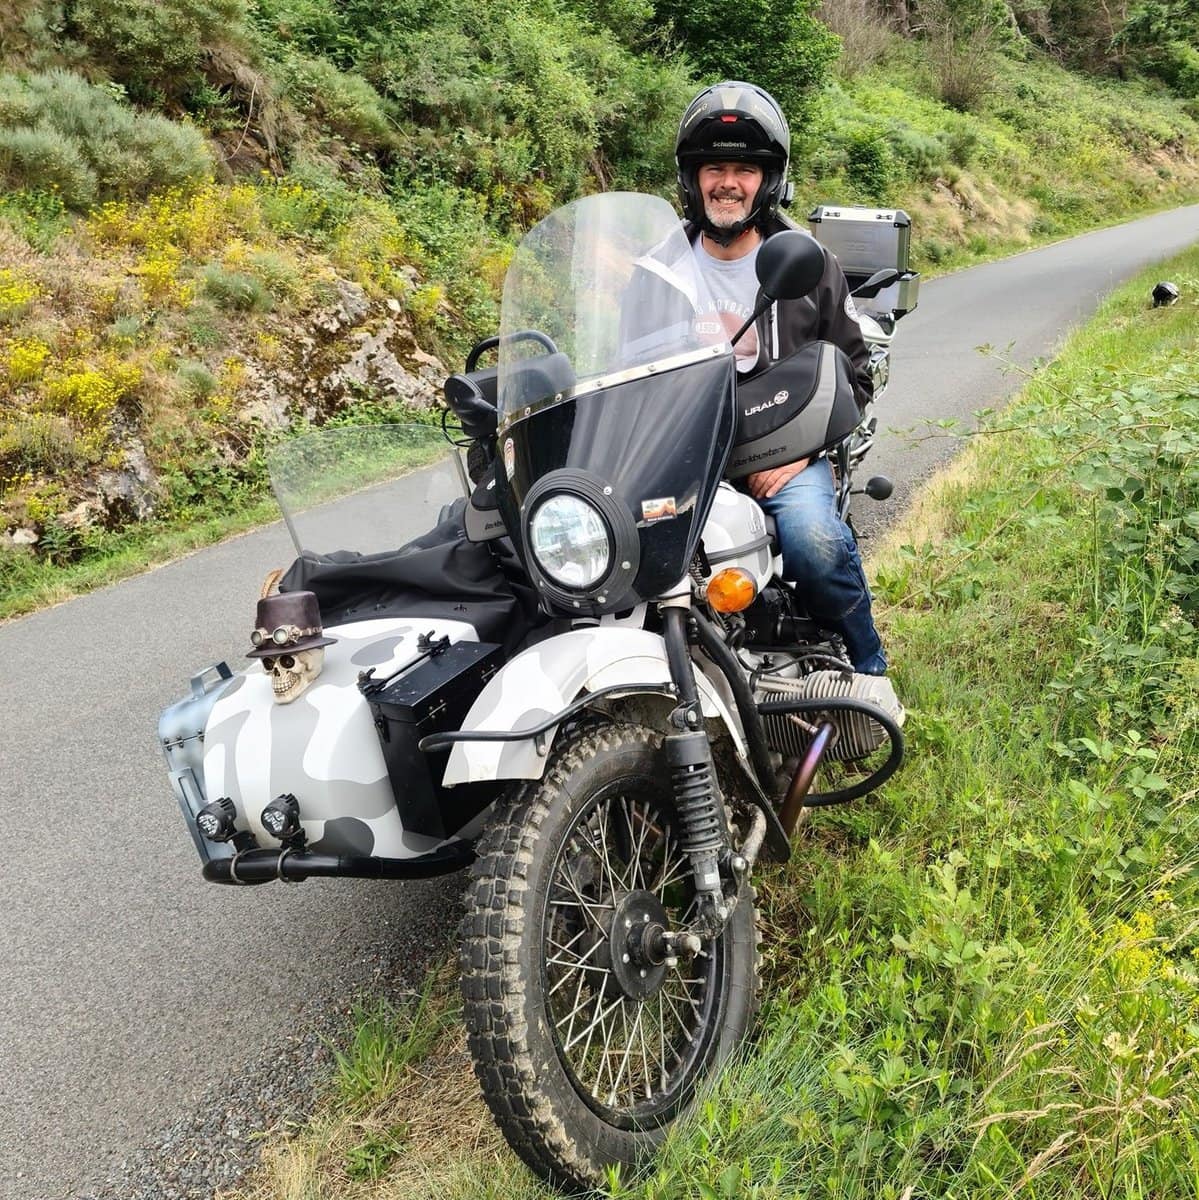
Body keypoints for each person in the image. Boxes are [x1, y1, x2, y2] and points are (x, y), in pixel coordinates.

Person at [674, 80, 888, 676]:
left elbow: (855, 374)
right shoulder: (657, 267)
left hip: (782, 453)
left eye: (745, 169)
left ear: (768, 181)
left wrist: (802, 451)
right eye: (714, 167)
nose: (728, 183)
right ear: (691, 178)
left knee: (815, 541)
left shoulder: (811, 264)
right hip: (682, 453)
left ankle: (868, 667)